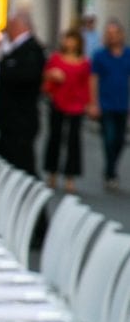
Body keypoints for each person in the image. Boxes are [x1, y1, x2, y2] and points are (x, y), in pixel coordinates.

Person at [0, 11, 46, 175]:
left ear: (18, 26)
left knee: (22, 164)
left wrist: (3, 68)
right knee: (7, 161)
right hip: (10, 119)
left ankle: (31, 198)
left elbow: (26, 76)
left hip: (20, 118)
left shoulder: (31, 49)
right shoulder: (15, 48)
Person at [42, 28, 91, 193]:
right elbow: (46, 77)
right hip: (58, 102)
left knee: (73, 141)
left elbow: (86, 83)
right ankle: (52, 173)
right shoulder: (56, 58)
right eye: (67, 39)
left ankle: (70, 176)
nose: (69, 43)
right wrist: (52, 76)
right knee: (55, 137)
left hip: (76, 104)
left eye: (72, 39)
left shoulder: (84, 62)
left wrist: (88, 102)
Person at [89, 19, 130, 190]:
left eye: (115, 33)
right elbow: (93, 79)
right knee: (109, 138)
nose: (112, 37)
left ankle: (111, 168)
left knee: (119, 140)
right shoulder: (99, 55)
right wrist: (93, 102)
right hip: (105, 103)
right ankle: (110, 172)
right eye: (109, 34)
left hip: (123, 103)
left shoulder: (128, 54)